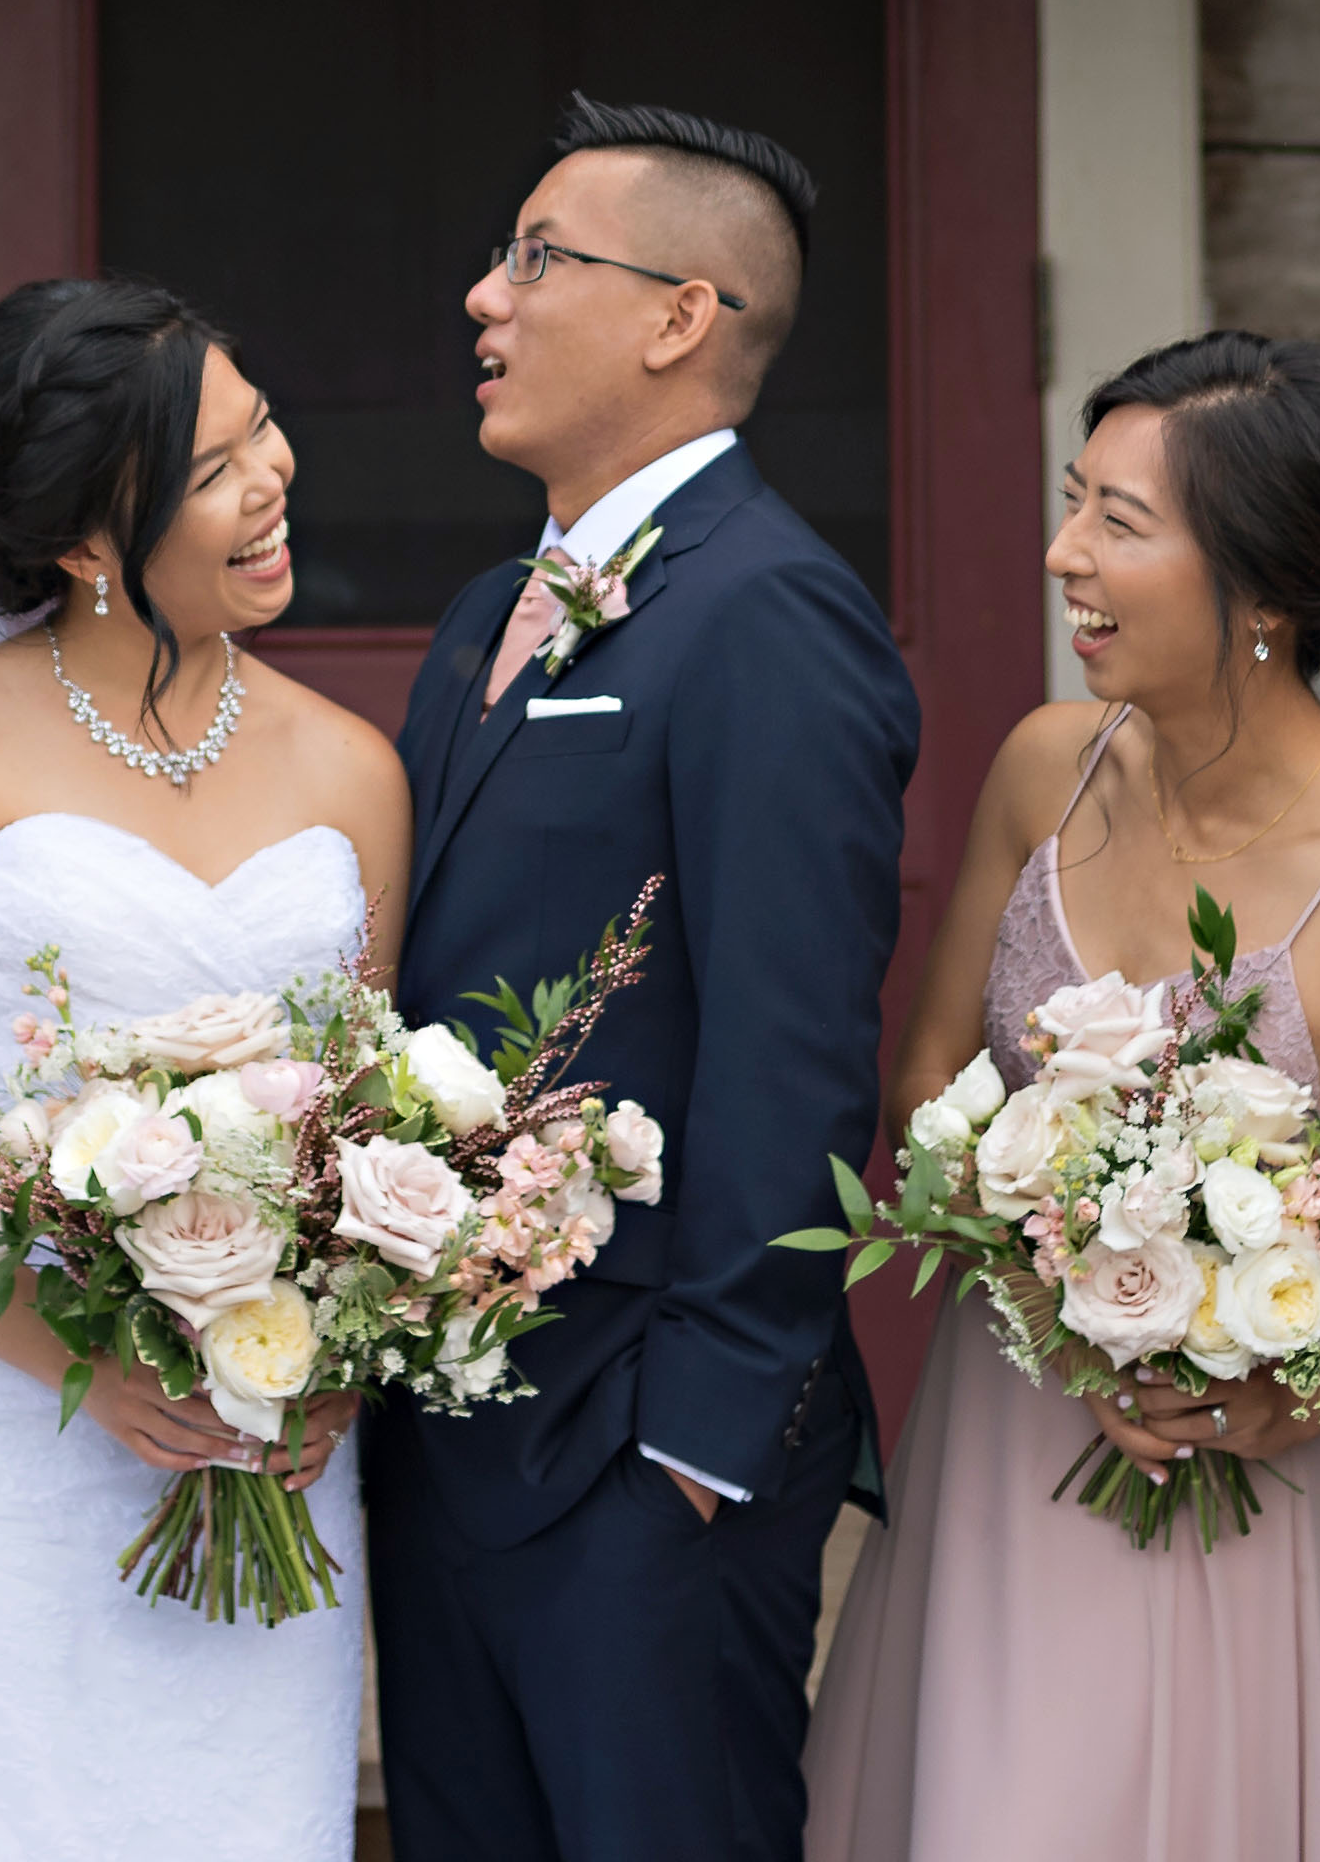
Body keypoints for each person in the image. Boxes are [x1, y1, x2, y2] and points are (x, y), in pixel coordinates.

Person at [807, 334, 1320, 1862]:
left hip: (1211, 1475)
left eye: (1120, 522)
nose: (1063, 554)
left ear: (1266, 592)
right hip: (999, 1441)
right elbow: (925, 1086)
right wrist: (1059, 1302)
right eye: (1072, 504)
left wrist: (1291, 1388)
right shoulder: (1048, 767)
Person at [0, 278, 416, 1862]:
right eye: (210, 471)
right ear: (78, 544)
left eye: (261, 430)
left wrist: (325, 1351)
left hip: (259, 1437)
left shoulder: (355, 771)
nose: (270, 481)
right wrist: (79, 1354)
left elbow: (363, 1128)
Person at [365, 92, 922, 1862]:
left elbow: (794, 1045)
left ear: (684, 315)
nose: (482, 296)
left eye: (537, 259)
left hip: (642, 1451)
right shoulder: (484, 616)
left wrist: (704, 1438)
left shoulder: (771, 614)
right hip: (460, 1424)